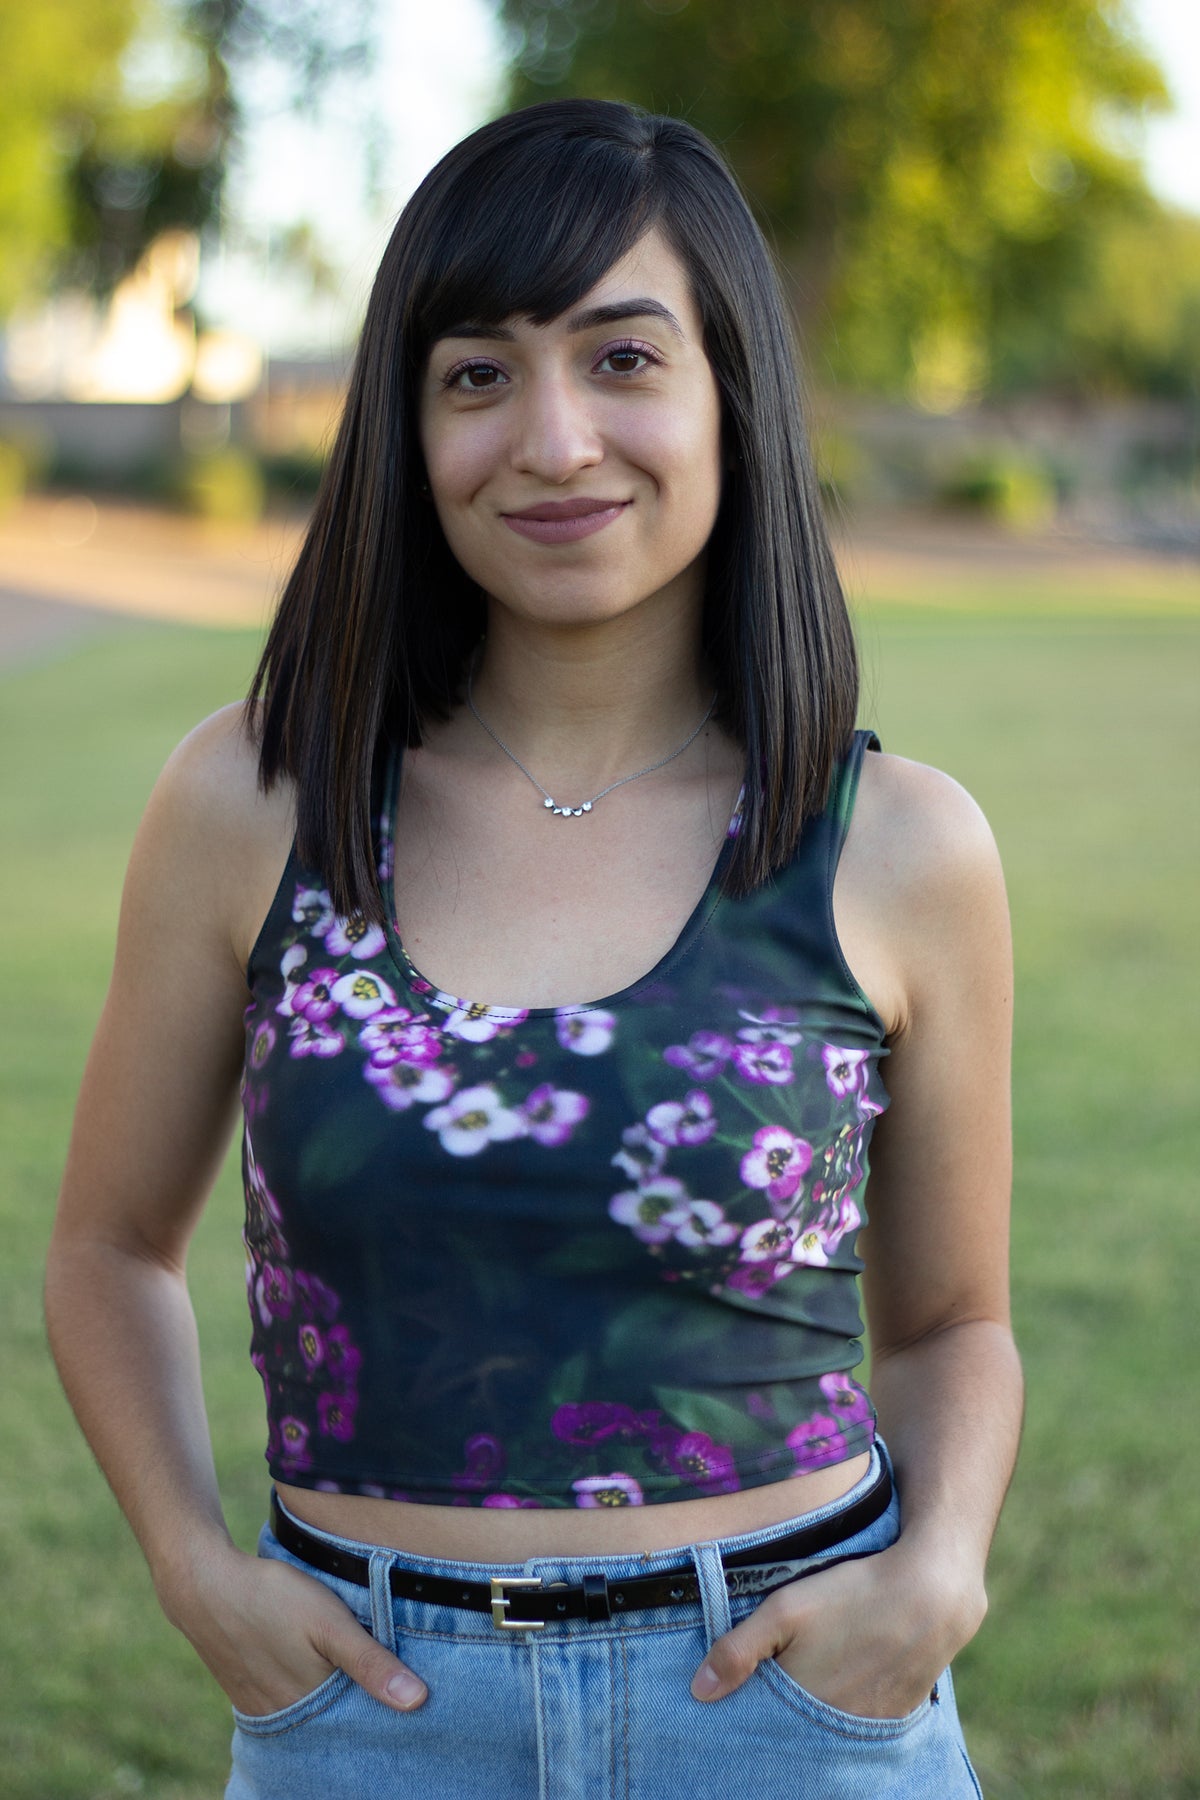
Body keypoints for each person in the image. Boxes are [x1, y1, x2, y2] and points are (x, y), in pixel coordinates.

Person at [46, 98, 1022, 1799]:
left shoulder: (900, 844)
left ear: (731, 393)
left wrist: (937, 1576)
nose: (555, 440)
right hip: (371, 1712)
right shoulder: (257, 795)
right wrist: (193, 1570)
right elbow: (110, 1246)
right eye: (479, 375)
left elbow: (951, 1325)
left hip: (794, 1711)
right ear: (408, 429)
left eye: (623, 358)